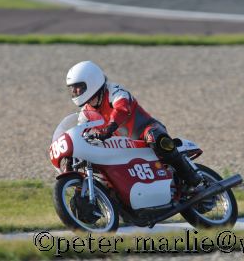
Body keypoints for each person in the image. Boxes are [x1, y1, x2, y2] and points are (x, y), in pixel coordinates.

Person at [66, 61, 202, 187]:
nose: (76, 92)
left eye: (79, 87)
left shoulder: (114, 91)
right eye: (73, 89)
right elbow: (80, 133)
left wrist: (109, 127)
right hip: (125, 146)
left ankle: (191, 177)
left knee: (155, 138)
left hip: (146, 130)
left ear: (92, 81)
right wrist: (72, 154)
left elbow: (122, 108)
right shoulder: (85, 113)